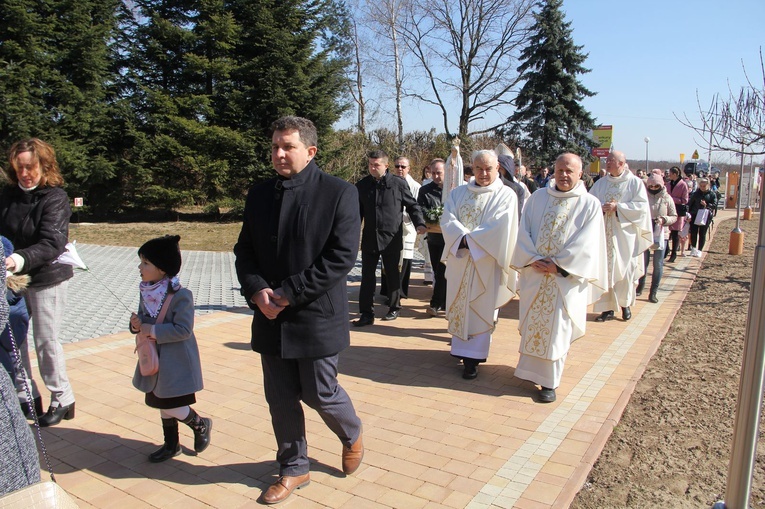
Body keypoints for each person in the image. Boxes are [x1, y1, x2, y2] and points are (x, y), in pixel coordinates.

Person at [234, 116, 363, 504]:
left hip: (314, 314)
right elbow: (245, 251)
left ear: (310, 151)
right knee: (281, 396)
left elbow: (341, 258)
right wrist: (256, 291)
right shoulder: (259, 194)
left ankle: (351, 431)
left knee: (320, 391)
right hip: (269, 315)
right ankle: (294, 467)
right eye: (274, 146)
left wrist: (289, 293)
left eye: (286, 146)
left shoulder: (339, 193)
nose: (278, 154)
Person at [511, 153, 607, 403]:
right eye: (560, 170)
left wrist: (559, 265)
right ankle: (530, 372)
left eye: (569, 171)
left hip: (565, 279)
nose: (564, 175)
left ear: (580, 173)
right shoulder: (537, 198)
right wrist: (532, 258)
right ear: (553, 170)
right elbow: (524, 231)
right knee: (535, 323)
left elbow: (587, 243)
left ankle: (549, 383)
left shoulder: (589, 204)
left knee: (558, 330)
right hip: (536, 273)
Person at [0, 138, 74, 427]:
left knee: (45, 342)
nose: (24, 174)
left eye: (30, 167)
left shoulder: (55, 198)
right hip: (13, 280)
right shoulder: (7, 195)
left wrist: (16, 259)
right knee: (12, 340)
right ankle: (26, 395)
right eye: (19, 168)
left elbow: (52, 242)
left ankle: (62, 397)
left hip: (46, 278)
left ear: (44, 165)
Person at [130, 235, 211, 463]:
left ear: (162, 268)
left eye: (145, 263)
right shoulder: (146, 291)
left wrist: (150, 329)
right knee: (160, 400)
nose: (140, 267)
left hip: (176, 362)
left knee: (171, 403)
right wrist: (136, 325)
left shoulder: (181, 295)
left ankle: (200, 424)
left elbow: (183, 329)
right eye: (141, 262)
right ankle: (171, 444)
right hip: (155, 358)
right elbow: (143, 320)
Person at [441, 150, 518, 380]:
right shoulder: (458, 193)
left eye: (489, 169)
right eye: (478, 168)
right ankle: (460, 351)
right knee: (460, 303)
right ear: (472, 169)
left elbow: (501, 225)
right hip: (461, 259)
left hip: (486, 262)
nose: (484, 173)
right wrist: (462, 238)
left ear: (498, 169)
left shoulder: (506, 195)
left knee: (480, 306)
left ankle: (473, 359)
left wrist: (467, 239)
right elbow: (447, 218)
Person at [354, 150, 426, 326]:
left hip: (392, 238)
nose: (372, 167)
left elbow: (412, 205)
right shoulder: (362, 185)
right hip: (370, 238)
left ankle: (394, 307)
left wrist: (419, 223)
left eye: (376, 164)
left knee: (393, 274)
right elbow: (356, 214)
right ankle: (366, 313)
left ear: (386, 165)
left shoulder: (398, 184)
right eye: (370, 164)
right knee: (367, 277)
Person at [590, 150, 653, 322]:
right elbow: (590, 202)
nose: (607, 163)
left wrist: (619, 208)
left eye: (611, 160)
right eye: (607, 160)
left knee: (625, 270)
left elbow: (641, 208)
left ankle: (625, 306)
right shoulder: (601, 183)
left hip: (625, 236)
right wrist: (600, 208)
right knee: (606, 270)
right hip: (604, 234)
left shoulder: (634, 183)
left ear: (621, 163)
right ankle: (607, 309)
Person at [637, 171, 677, 303]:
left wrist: (664, 219)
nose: (653, 189)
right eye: (651, 186)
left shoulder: (667, 198)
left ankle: (653, 291)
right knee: (643, 261)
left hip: (661, 233)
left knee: (658, 263)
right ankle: (640, 286)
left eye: (656, 186)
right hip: (645, 232)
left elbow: (674, 216)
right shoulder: (643, 197)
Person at [417, 159, 446, 317]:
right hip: (434, 237)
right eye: (433, 173)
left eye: (439, 173)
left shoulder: (455, 189)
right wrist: (429, 218)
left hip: (451, 239)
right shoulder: (425, 190)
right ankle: (442, 302)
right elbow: (420, 208)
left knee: (445, 270)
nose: (435, 176)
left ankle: (436, 303)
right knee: (437, 270)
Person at [393, 156, 421, 298]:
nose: (400, 169)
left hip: (407, 227)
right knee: (390, 260)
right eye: (397, 166)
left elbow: (416, 207)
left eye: (403, 167)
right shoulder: (389, 182)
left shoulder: (415, 186)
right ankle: (388, 291)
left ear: (409, 169)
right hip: (392, 227)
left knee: (405, 258)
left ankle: (401, 291)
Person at [687, 178, 717, 257]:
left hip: (705, 216)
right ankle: (693, 248)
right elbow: (690, 204)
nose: (702, 187)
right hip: (694, 214)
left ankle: (700, 250)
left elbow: (714, 205)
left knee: (702, 233)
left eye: (704, 186)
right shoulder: (696, 193)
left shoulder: (712, 194)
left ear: (708, 185)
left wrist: (706, 205)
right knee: (693, 232)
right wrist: (688, 214)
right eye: (701, 186)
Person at [665, 166, 689, 263]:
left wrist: (672, 199)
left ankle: (674, 253)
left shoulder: (683, 185)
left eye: (670, 174)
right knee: (666, 231)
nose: (669, 175)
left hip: (678, 211)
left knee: (675, 233)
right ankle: (666, 250)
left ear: (675, 174)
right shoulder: (668, 184)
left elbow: (685, 200)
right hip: (668, 210)